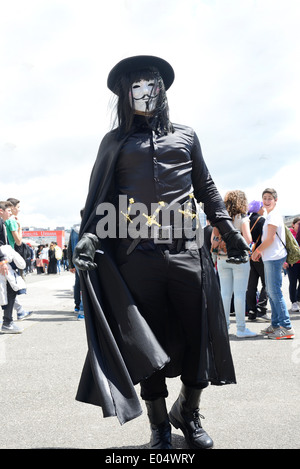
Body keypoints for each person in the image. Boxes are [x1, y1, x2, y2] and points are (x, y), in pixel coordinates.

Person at [72, 55, 250, 449]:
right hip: (135, 255)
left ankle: (187, 411)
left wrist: (226, 229)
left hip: (188, 249)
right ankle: (157, 426)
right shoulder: (114, 142)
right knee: (144, 339)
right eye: (134, 85)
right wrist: (89, 236)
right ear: (124, 93)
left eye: (151, 84)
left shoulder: (187, 135)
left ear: (163, 90)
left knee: (197, 330)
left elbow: (205, 186)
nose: (144, 92)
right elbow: (102, 194)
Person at [212, 191, 257, 338]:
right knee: (239, 294)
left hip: (222, 258)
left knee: (225, 294)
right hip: (239, 259)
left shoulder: (220, 218)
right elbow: (249, 240)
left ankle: (224, 327)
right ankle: (241, 329)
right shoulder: (242, 217)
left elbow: (213, 241)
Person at [251, 188, 295, 339]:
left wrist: (257, 251)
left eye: (270, 198)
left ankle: (287, 327)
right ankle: (276, 324)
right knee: (271, 292)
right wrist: (261, 253)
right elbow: (269, 240)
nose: (267, 201)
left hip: (274, 257)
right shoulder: (270, 216)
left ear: (276, 200)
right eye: (265, 198)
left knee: (274, 292)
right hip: (271, 257)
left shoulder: (274, 216)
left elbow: (269, 240)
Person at [246, 200, 270, 322]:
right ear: (259, 208)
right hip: (259, 254)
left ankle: (251, 311)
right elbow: (265, 238)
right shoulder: (261, 220)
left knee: (251, 284)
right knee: (267, 282)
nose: (264, 209)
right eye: (262, 207)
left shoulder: (247, 220)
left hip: (248, 255)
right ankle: (261, 309)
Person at [0, 243, 26, 333]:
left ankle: (8, 321)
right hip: (5, 255)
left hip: (5, 254)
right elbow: (18, 241)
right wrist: (1, 259)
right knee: (9, 291)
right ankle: (7, 322)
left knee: (7, 292)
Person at [68, 220, 84, 320]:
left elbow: (70, 247)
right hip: (86, 260)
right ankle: (82, 310)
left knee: (78, 283)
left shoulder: (74, 229)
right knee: (85, 285)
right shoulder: (88, 226)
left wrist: (71, 264)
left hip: (76, 260)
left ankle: (77, 306)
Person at [285, 217, 300, 312]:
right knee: (293, 282)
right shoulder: (289, 234)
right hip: (292, 263)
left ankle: (298, 299)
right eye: (298, 223)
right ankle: (294, 302)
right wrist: (285, 261)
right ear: (293, 225)